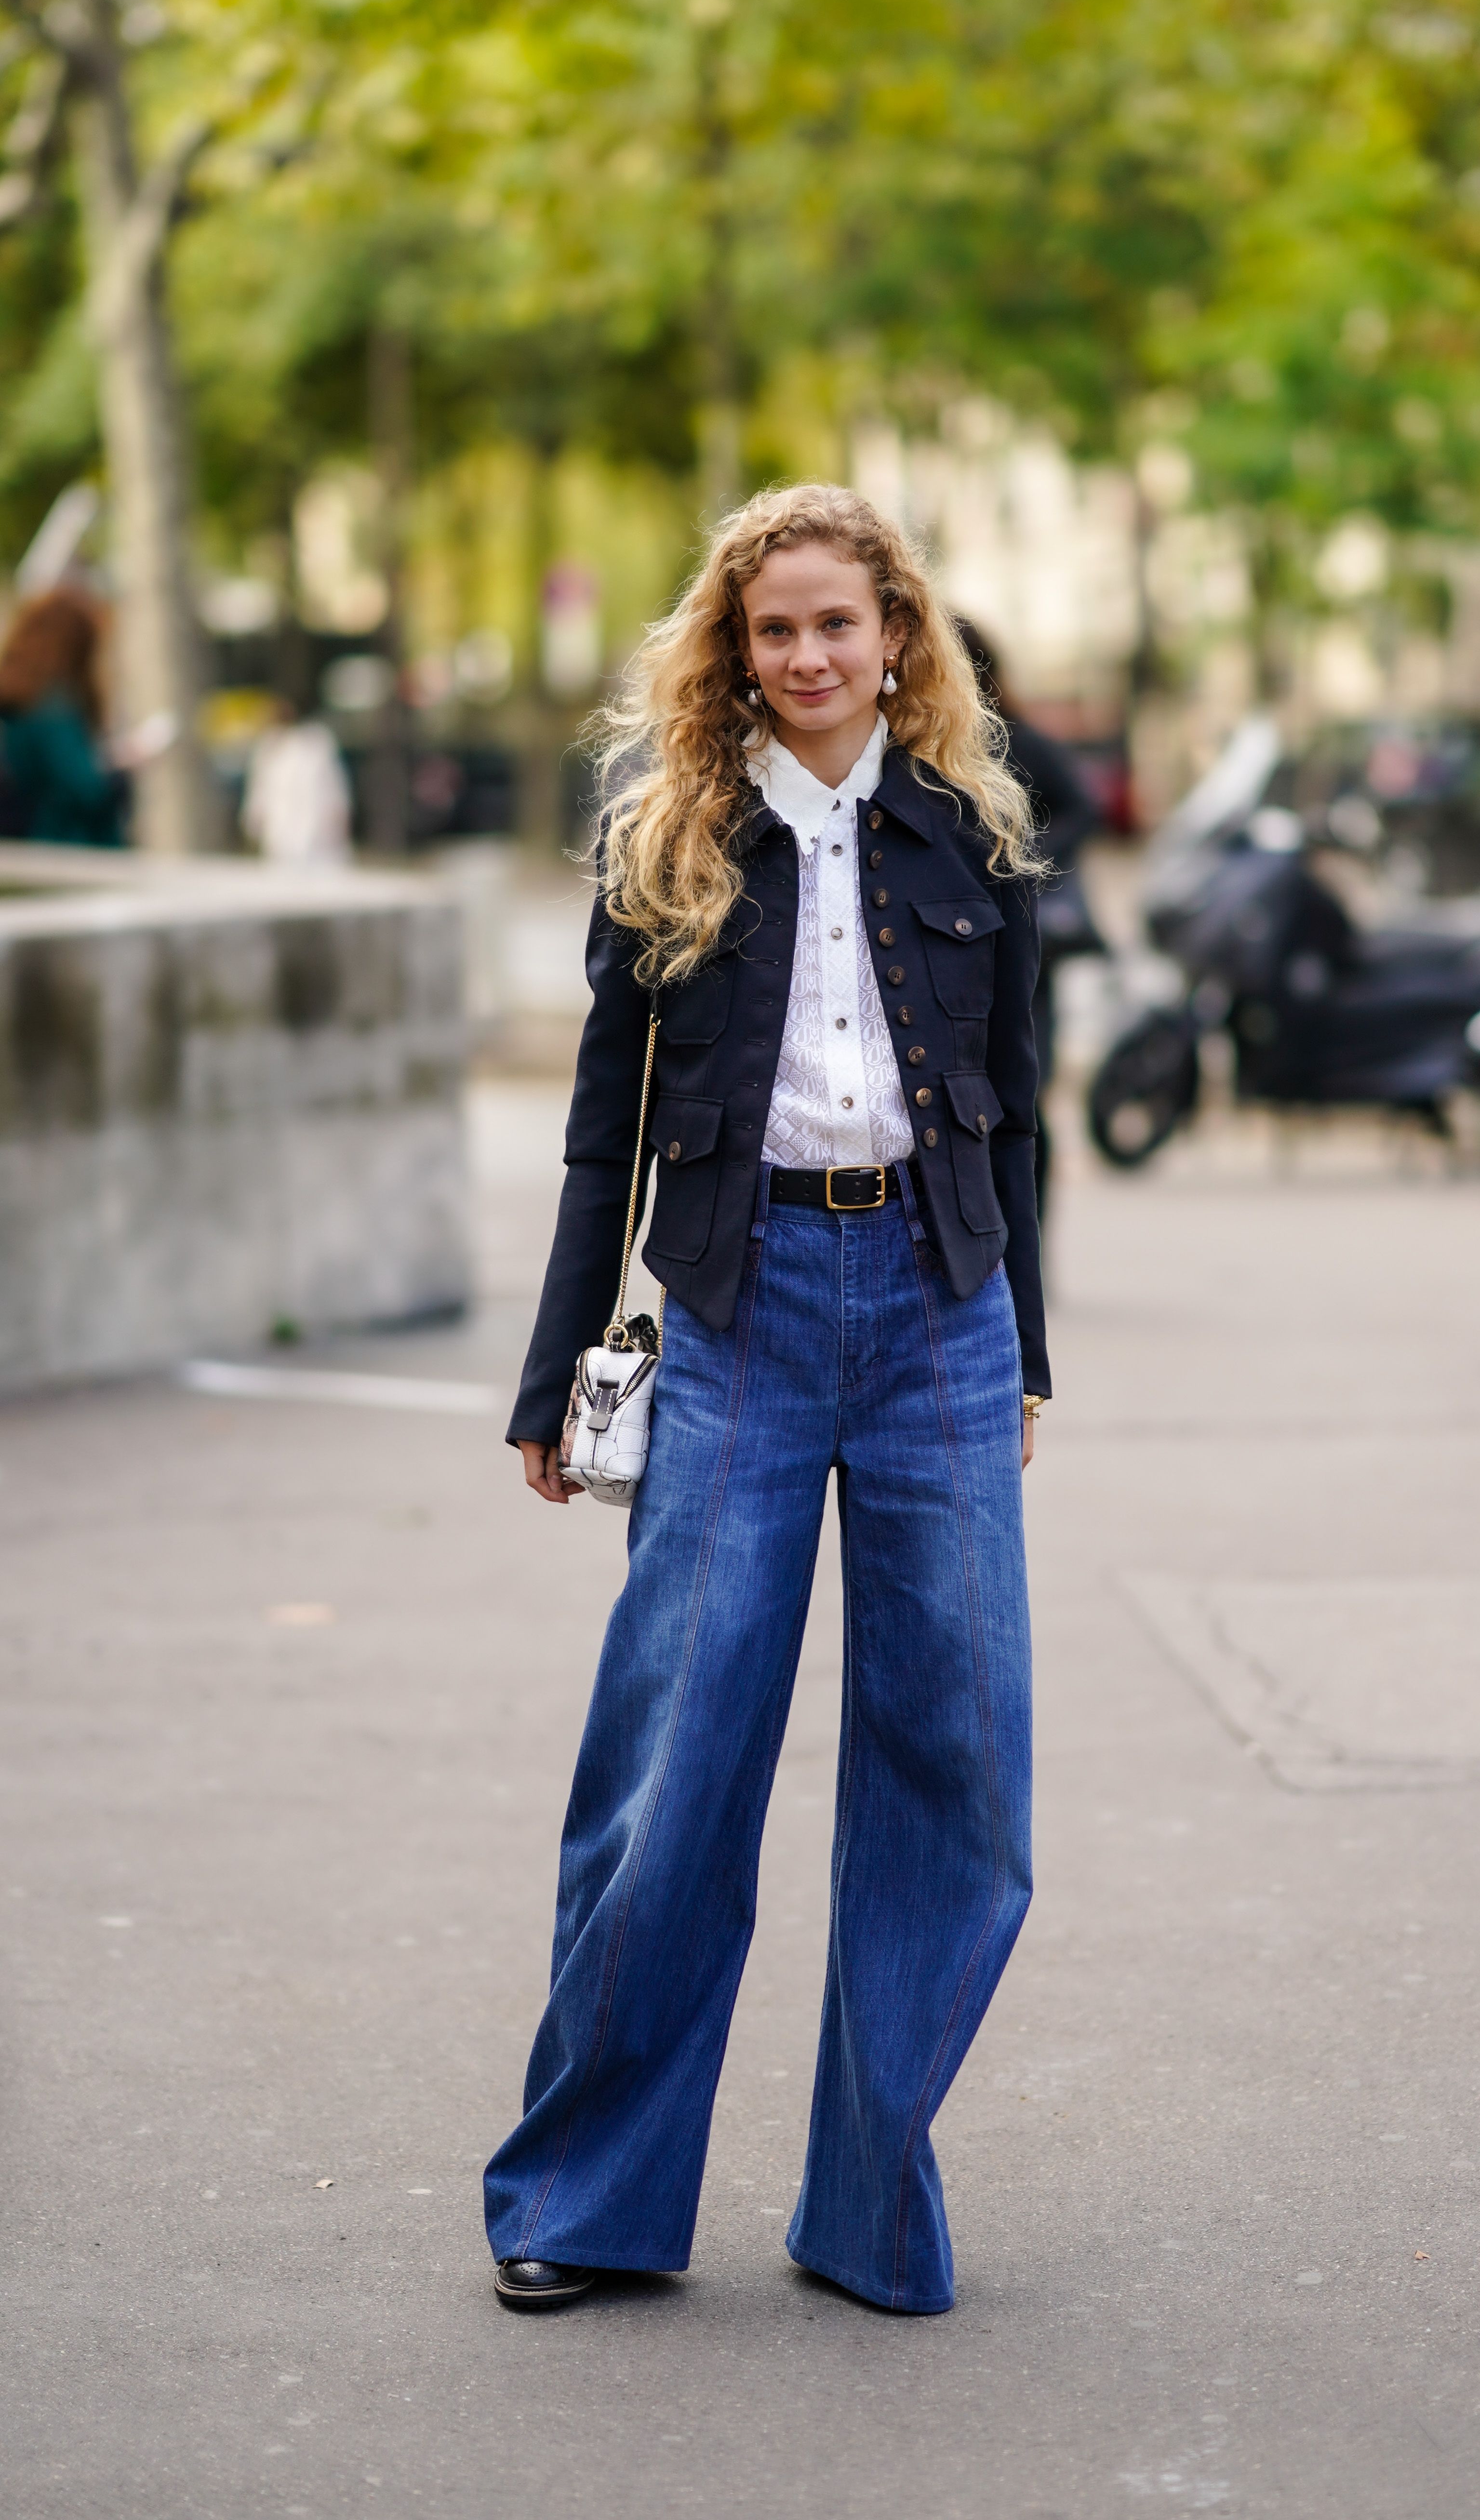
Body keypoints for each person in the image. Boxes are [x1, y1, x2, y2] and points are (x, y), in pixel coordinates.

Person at [485, 482, 1049, 2318]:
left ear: (898, 637)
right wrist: (557, 1372)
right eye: (772, 629)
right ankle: (589, 2194)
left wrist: (1026, 1348)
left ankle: (869, 2199)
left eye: (837, 623)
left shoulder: (973, 834)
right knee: (675, 1767)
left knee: (957, 1767)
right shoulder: (669, 838)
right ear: (733, 652)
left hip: (940, 1318)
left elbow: (1018, 1112)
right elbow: (601, 1132)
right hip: (736, 1311)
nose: (807, 656)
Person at [953, 619, 1104, 1225]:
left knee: (1024, 1090)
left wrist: (1020, 860)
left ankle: (1029, 1240)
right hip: (958, 945)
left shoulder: (1015, 741)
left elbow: (1081, 809)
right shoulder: (913, 745)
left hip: (1024, 941)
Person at [0, 587, 124, 846]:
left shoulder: (18, 699)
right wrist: (118, 773)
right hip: (66, 844)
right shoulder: (52, 708)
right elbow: (86, 789)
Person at [240, 699, 353, 865]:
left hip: (316, 834)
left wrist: (339, 816)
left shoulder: (316, 745)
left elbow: (332, 786)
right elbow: (260, 790)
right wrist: (254, 822)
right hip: (280, 835)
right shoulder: (267, 749)